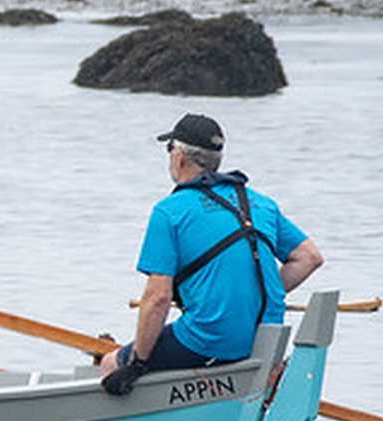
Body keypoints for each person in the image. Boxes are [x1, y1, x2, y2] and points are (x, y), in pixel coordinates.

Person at [99, 114, 325, 395]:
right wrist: (256, 295)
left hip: (209, 340)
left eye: (169, 150)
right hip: (264, 337)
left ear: (179, 158)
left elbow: (158, 299)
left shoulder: (169, 212)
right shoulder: (261, 203)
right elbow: (309, 257)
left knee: (110, 363)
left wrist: (137, 364)